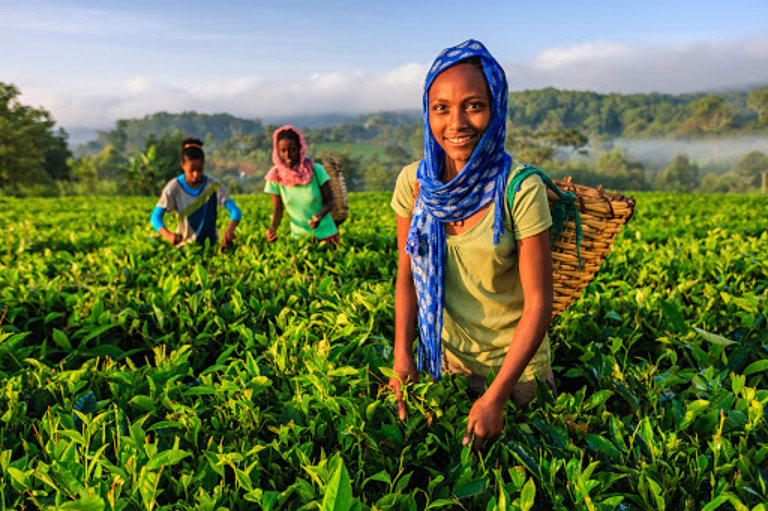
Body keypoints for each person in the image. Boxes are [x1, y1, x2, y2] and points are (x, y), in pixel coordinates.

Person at [388, 39, 555, 450]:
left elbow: (539, 304)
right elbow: (406, 277)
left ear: (495, 109)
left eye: (474, 106)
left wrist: (496, 396)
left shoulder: (520, 189)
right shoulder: (415, 184)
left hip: (517, 376)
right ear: (427, 114)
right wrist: (402, 359)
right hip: (448, 365)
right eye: (441, 108)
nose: (456, 122)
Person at [150, 145, 242, 246]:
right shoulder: (173, 188)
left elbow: (235, 211)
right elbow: (155, 217)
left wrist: (230, 230)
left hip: (211, 246)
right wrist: (168, 236)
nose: (196, 174)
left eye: (200, 169)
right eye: (192, 170)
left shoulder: (214, 186)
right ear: (183, 165)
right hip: (185, 246)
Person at [264, 126, 338, 245]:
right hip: (299, 239)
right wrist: (273, 228)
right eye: (283, 151)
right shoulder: (275, 176)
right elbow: (278, 208)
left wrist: (320, 216)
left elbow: (330, 201)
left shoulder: (316, 170)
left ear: (300, 148)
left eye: (291, 150)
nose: (287, 155)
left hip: (325, 235)